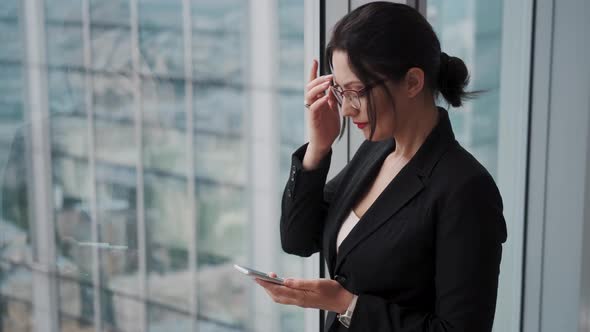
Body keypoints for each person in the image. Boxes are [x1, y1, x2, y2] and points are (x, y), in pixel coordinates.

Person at [254, 2, 507, 331]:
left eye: (356, 92)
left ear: (413, 82)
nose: (345, 109)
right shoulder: (375, 152)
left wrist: (347, 305)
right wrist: (318, 147)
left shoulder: (466, 188)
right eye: (340, 91)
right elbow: (298, 239)